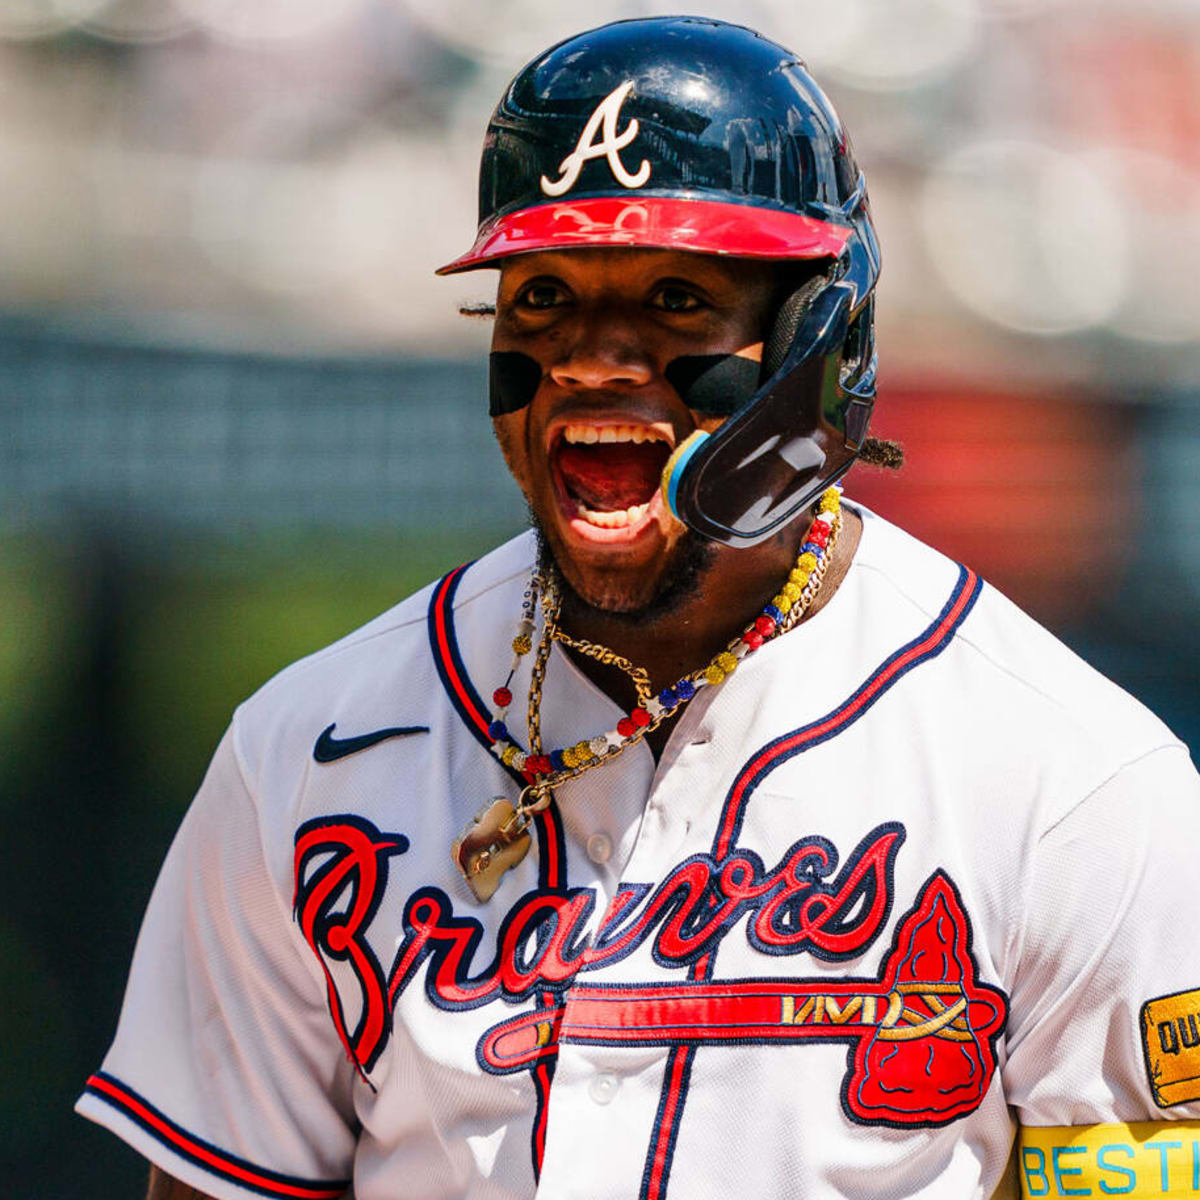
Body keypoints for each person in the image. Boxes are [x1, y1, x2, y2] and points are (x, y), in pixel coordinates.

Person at [79, 17, 1200, 1200]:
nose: (592, 360)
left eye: (674, 298)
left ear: (819, 343)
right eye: (545, 296)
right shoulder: (308, 751)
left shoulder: (1070, 781)